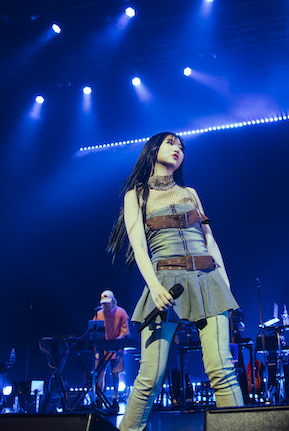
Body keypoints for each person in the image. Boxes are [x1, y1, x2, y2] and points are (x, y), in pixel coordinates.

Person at [107, 132, 244, 430]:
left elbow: (210, 240)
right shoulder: (136, 195)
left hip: (207, 279)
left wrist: (225, 284)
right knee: (150, 376)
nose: (178, 149)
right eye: (170, 143)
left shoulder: (191, 193)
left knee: (222, 368)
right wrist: (154, 286)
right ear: (153, 149)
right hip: (164, 283)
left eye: (181, 146)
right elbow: (139, 247)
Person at [95, 289, 130, 409]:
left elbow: (124, 331)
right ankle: (99, 399)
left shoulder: (121, 312)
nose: (106, 305)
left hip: (116, 349)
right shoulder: (98, 314)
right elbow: (94, 331)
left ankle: (115, 398)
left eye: (107, 303)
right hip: (102, 349)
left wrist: (116, 342)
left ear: (113, 301)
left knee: (115, 374)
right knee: (100, 373)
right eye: (104, 303)